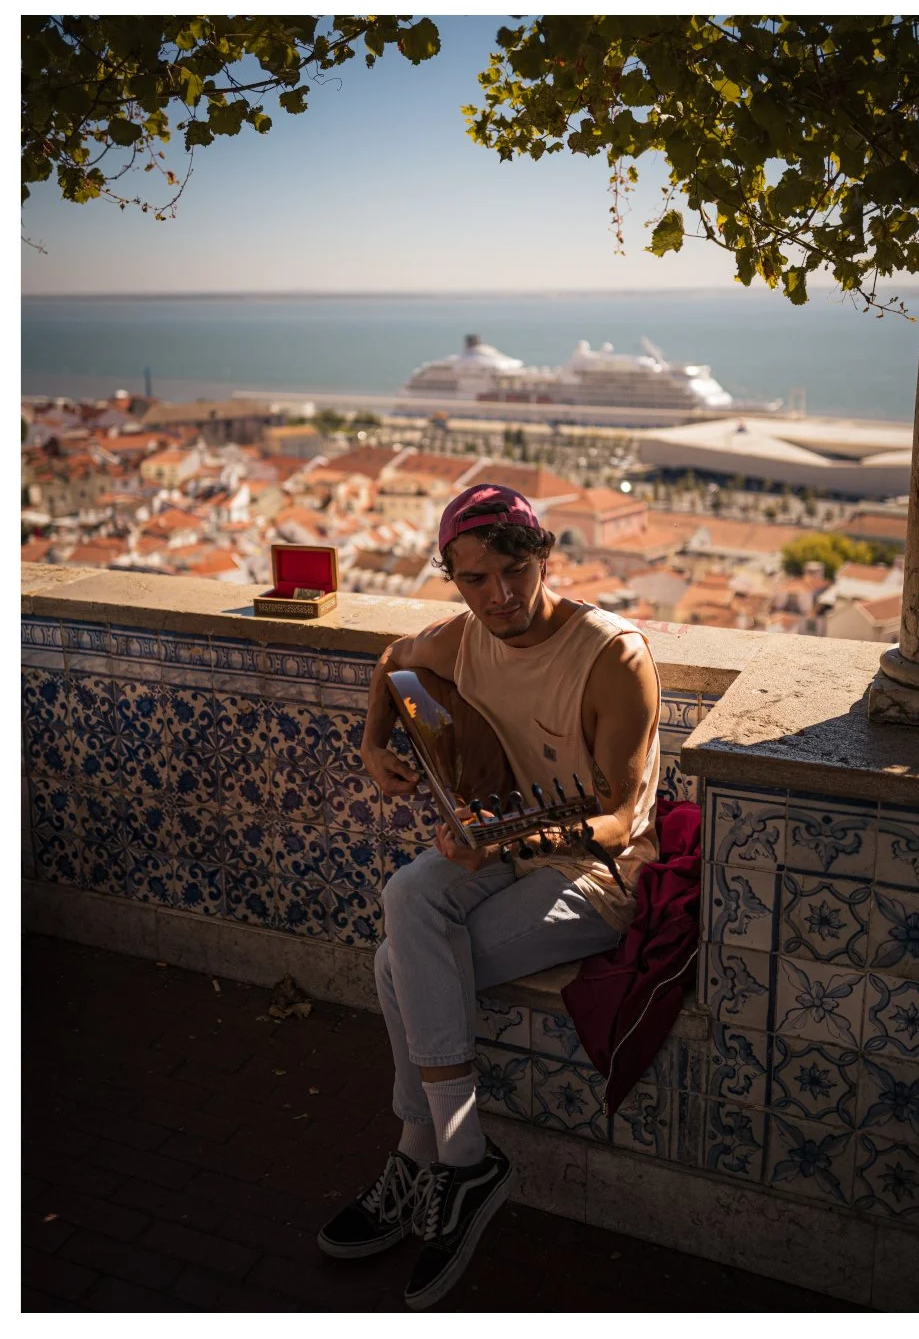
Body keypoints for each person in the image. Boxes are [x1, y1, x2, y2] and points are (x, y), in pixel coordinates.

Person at [317, 483, 661, 1310]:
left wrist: (513, 841)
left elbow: (616, 821)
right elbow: (390, 658)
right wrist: (372, 742)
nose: (498, 596)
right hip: (501, 846)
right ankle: (461, 1163)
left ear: (544, 558)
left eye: (513, 571)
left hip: (593, 877)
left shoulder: (611, 654)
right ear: (455, 580)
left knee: (397, 964)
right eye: (473, 580)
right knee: (408, 896)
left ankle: (425, 1157)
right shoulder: (464, 638)